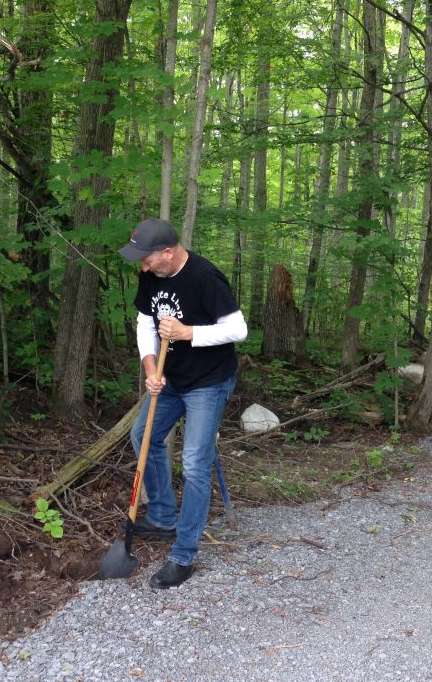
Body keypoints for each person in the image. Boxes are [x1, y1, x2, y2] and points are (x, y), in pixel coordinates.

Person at [117, 218, 247, 588]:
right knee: (143, 435)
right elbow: (145, 322)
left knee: (193, 464)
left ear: (168, 253)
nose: (142, 267)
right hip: (170, 378)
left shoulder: (205, 277)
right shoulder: (150, 275)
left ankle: (184, 554)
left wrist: (188, 332)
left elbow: (239, 329)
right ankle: (162, 516)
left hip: (208, 382)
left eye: (146, 260)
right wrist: (149, 368)